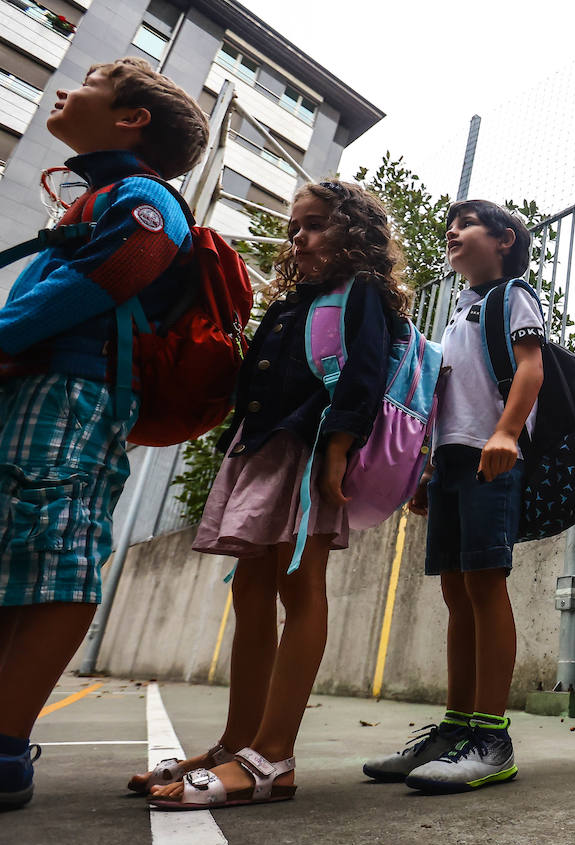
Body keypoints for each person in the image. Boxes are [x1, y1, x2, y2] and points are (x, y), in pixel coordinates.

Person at [139, 181, 398, 808]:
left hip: (307, 448)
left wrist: (338, 446)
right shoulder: (295, 300)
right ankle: (237, 743)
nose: (298, 239)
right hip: (260, 446)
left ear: (353, 232)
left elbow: (363, 373)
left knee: (300, 587)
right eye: (294, 229)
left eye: (312, 226)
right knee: (252, 589)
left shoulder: (360, 293)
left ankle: (273, 755)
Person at [0, 58, 209, 811]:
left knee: (55, 553)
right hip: (39, 386)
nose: (65, 89)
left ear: (131, 119)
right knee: (15, 557)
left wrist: (4, 333)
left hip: (75, 391)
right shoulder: (100, 194)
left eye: (87, 83)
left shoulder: (144, 198)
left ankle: (5, 750)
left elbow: (123, 265)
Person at [363, 200, 545, 793]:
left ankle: (491, 737)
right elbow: (442, 399)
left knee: (486, 583)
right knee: (456, 591)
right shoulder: (455, 316)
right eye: (452, 225)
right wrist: (425, 466)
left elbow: (531, 368)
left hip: (492, 454)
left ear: (505, 240)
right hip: (451, 461)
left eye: (468, 225)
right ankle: (456, 726)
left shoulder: (511, 296)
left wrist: (508, 432)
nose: (452, 232)